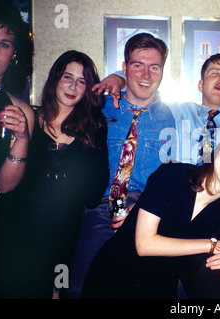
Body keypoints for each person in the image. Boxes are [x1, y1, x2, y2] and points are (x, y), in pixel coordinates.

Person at [82, 128, 220, 298]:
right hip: (112, 277)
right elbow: (144, 245)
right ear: (217, 151)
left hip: (156, 290)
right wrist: (213, 244)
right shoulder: (172, 174)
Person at [0, 50, 109, 298]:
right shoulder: (29, 118)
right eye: (67, 77)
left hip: (62, 233)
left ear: (88, 89)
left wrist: (71, 169)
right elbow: (6, 181)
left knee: (58, 291)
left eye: (81, 81)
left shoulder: (94, 128)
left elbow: (94, 193)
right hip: (17, 227)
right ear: (55, 79)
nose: (73, 86)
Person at [68, 32, 176, 298]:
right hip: (100, 207)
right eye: (137, 65)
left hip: (150, 210)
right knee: (80, 287)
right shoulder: (97, 107)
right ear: (124, 67)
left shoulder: (176, 117)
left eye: (154, 67)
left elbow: (175, 180)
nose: (146, 74)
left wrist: (141, 210)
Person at [0, 1, 34, 209]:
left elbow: (4, 185)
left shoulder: (20, 112)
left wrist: (22, 139)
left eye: (4, 44)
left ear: (15, 54)